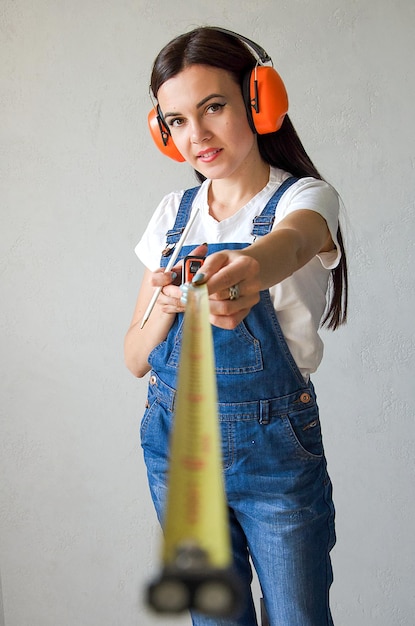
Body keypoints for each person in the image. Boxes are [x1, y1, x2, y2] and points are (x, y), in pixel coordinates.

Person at [124, 26, 347, 626]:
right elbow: (134, 356)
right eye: (175, 120)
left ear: (258, 99)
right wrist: (165, 312)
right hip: (175, 445)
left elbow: (293, 244)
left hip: (274, 448)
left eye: (213, 107)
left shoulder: (308, 199)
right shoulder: (172, 216)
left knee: (298, 616)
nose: (196, 135)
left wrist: (248, 270)